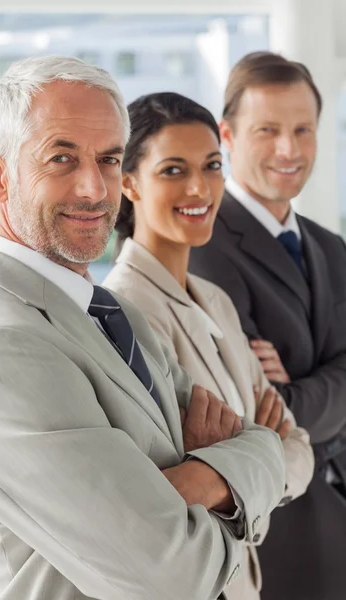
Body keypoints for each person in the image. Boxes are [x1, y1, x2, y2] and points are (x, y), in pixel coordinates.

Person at [0, 56, 287, 600]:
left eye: (107, 160)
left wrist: (201, 480)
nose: (93, 188)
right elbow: (168, 576)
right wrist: (225, 481)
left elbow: (269, 444)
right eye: (61, 158)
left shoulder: (111, 312)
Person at [104, 91, 313, 600]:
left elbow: (298, 449)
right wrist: (258, 448)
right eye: (173, 169)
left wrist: (231, 463)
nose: (200, 186)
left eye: (212, 165)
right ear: (128, 182)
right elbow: (172, 494)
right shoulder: (123, 312)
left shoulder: (215, 301)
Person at [189, 51, 346, 600]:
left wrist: (292, 385)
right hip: (270, 541)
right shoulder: (202, 250)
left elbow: (283, 401)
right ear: (227, 136)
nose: (290, 149)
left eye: (304, 129)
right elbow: (249, 413)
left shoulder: (330, 247)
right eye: (268, 130)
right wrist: (319, 379)